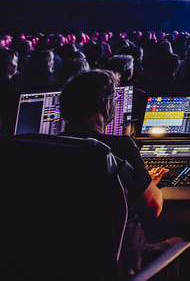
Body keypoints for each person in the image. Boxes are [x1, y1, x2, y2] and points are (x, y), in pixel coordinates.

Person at [59, 70, 170, 276]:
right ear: (106, 106)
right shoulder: (118, 147)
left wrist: (141, 180)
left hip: (65, 265)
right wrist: (150, 185)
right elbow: (153, 207)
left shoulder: (50, 148)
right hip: (122, 266)